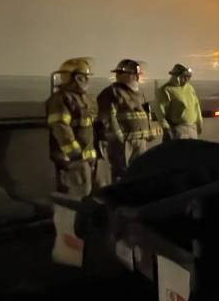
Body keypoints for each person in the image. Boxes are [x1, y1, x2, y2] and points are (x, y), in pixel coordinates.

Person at [97, 59, 158, 181]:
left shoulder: (140, 93)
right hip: (123, 142)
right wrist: (119, 137)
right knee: (122, 173)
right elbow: (108, 117)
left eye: (137, 75)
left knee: (139, 171)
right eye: (133, 75)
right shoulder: (111, 92)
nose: (136, 78)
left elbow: (147, 113)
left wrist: (150, 131)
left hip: (140, 140)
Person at [46, 58, 98, 198]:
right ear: (77, 78)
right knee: (75, 197)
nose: (87, 80)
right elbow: (61, 128)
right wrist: (75, 154)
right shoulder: (60, 99)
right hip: (72, 161)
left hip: (86, 159)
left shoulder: (86, 98)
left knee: (86, 196)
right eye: (84, 77)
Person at [155, 63, 203, 140]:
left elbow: (196, 106)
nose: (187, 79)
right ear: (177, 77)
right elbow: (160, 112)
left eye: (188, 77)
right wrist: (166, 128)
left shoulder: (190, 88)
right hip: (177, 130)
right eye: (185, 77)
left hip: (192, 129)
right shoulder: (166, 90)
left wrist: (199, 122)